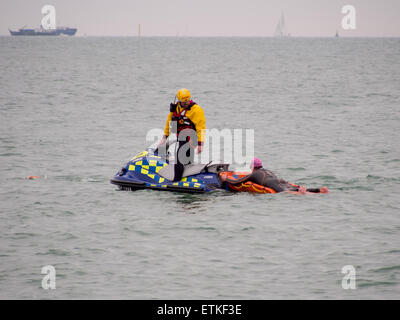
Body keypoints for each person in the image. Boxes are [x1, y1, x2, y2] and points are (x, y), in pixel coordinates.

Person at [157, 88, 206, 181]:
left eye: (187, 101)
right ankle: (187, 179)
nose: (186, 103)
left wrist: (200, 144)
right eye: (184, 102)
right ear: (179, 101)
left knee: (179, 160)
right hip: (181, 138)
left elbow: (201, 128)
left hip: (192, 138)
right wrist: (164, 137)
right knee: (187, 161)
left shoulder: (196, 110)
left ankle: (176, 181)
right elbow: (169, 123)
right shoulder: (176, 109)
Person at [220, 157, 329, 194]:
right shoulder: (268, 171)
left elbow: (237, 182)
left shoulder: (253, 174)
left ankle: (306, 194)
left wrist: (225, 179)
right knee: (293, 188)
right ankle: (318, 190)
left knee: (287, 193)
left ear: (253, 167)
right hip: (280, 181)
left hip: (273, 185)